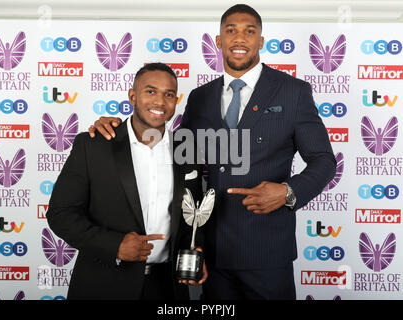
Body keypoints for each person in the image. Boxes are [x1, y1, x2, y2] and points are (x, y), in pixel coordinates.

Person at [89, 4, 336, 300]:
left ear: (261, 41)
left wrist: (287, 192)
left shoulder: (293, 92)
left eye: (250, 31)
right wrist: (118, 129)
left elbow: (323, 161)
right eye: (231, 31)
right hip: (211, 252)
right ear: (218, 41)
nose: (240, 39)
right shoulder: (201, 97)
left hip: (267, 250)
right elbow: (176, 153)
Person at [46, 63, 206, 300]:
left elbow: (193, 215)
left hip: (167, 287)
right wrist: (115, 245)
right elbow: (60, 215)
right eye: (150, 91)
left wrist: (197, 248)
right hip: (104, 284)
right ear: (133, 96)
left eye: (169, 94)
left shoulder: (188, 152)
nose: (160, 102)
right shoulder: (93, 145)